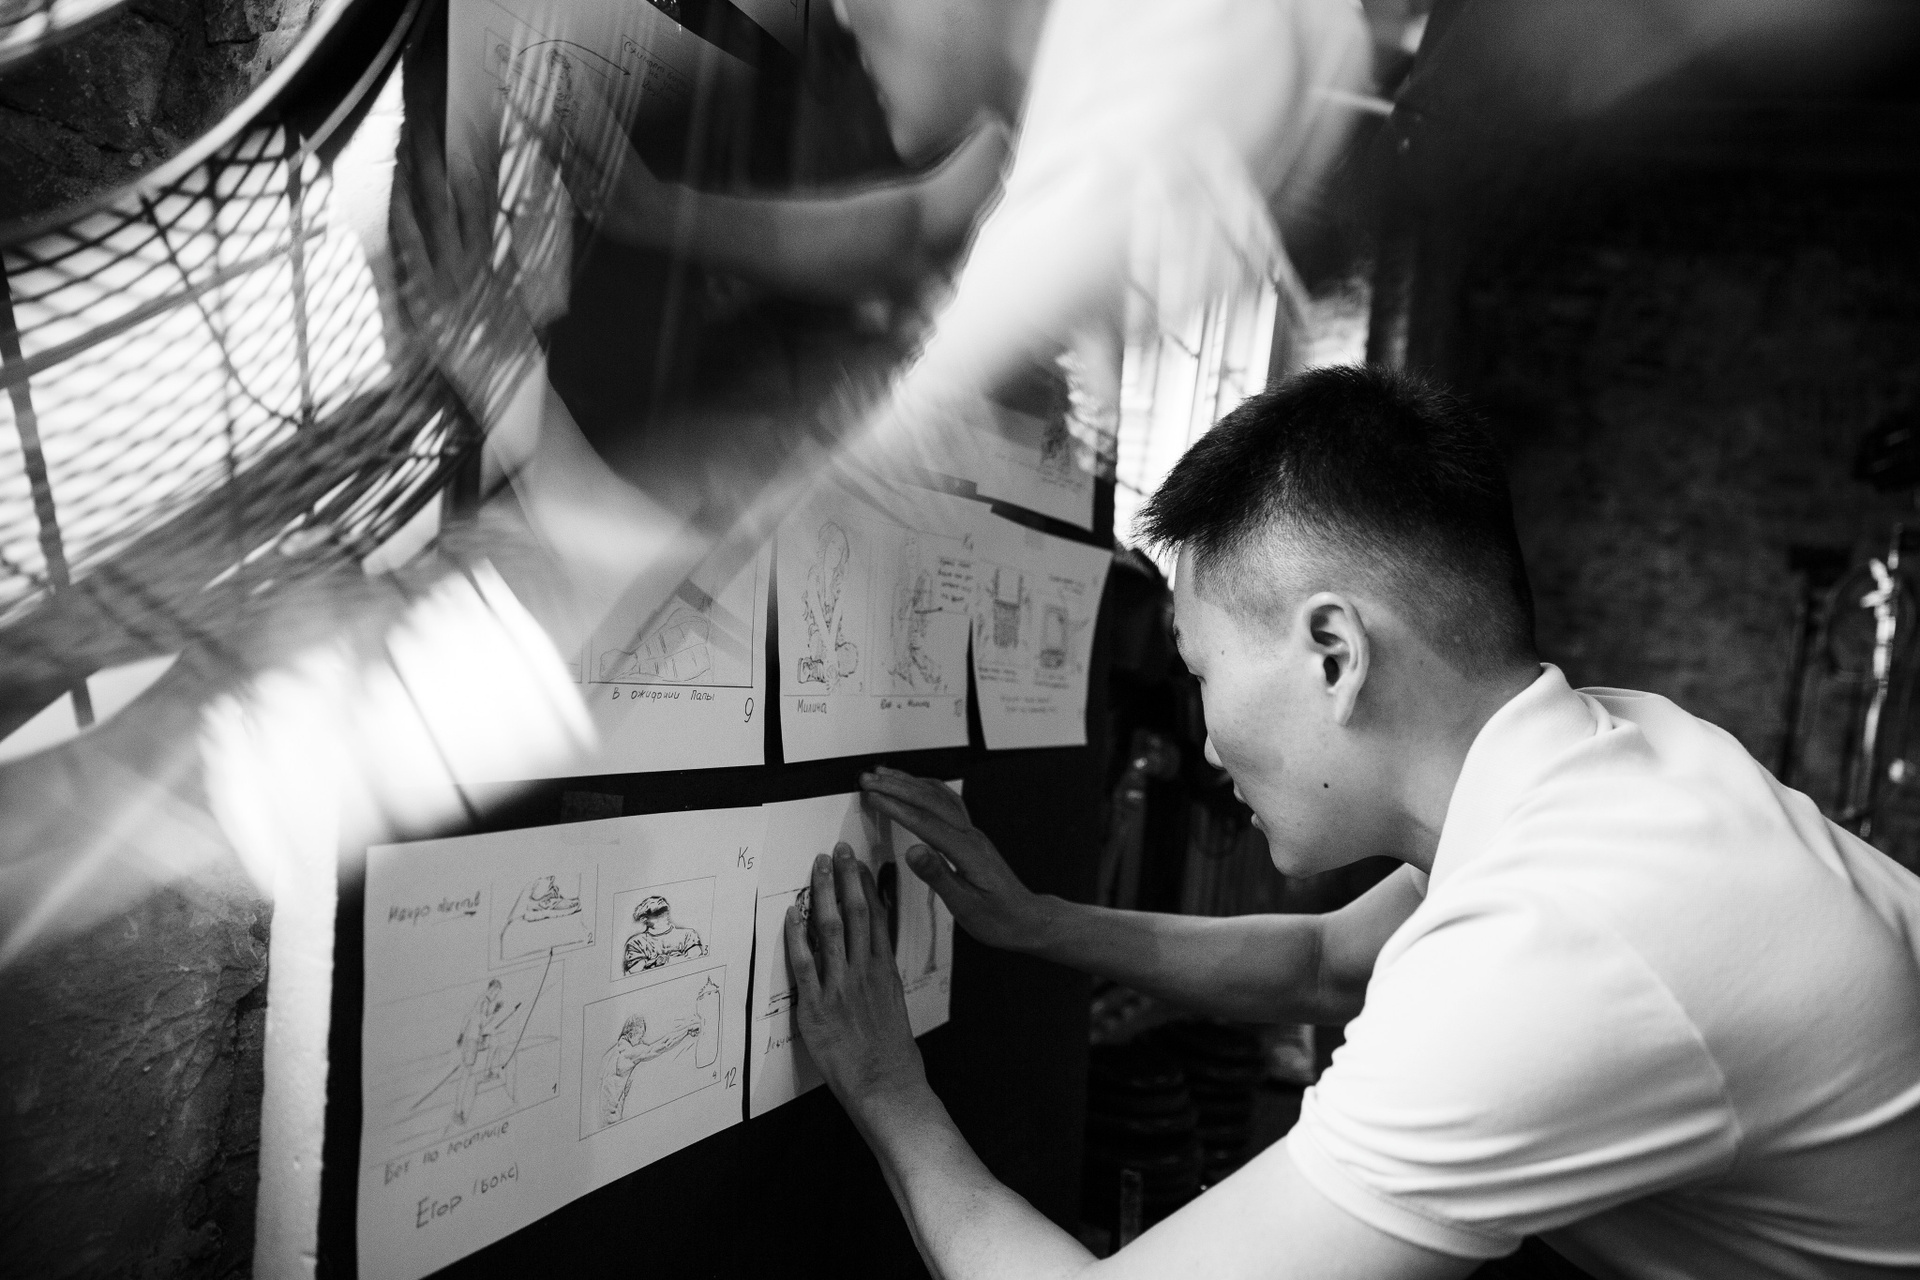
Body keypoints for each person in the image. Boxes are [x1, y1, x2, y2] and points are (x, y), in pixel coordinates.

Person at [785, 365, 1920, 1279]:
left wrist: (887, 1090)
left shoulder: (1560, 946)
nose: (1206, 740)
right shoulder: (1601, 755)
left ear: (1334, 652)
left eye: (1202, 673)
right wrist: (1040, 922)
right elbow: (1326, 961)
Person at [598, 1011, 698, 1128]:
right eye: (640, 1037)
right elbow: (664, 1045)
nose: (641, 1042)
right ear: (631, 1034)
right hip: (613, 1122)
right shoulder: (628, 1053)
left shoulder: (610, 1054)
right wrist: (686, 1031)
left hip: (603, 1121)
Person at [622, 894, 708, 974]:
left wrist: (666, 960)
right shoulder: (636, 942)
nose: (663, 916)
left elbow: (695, 957)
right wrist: (658, 961)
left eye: (665, 911)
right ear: (644, 919)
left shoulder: (688, 934)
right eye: (657, 914)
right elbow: (634, 971)